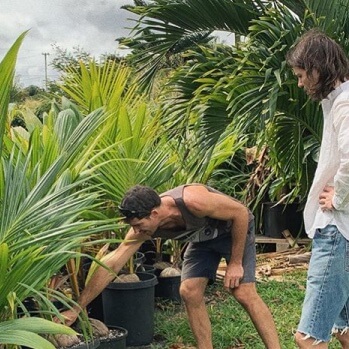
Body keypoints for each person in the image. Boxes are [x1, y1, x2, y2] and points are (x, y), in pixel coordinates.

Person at [58, 183, 280, 349]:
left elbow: (240, 213)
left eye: (138, 225)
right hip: (202, 239)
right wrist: (76, 309)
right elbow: (112, 264)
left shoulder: (194, 201)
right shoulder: (141, 228)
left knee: (243, 292)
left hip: (232, 231)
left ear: (154, 214)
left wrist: (235, 263)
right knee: (189, 291)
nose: (136, 232)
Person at [286, 29, 349, 349]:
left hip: (337, 229)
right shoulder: (339, 101)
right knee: (344, 327)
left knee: (307, 337)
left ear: (317, 69)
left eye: (301, 75)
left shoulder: (344, 104)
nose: (300, 83)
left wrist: (340, 195)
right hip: (344, 230)